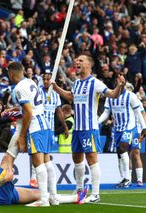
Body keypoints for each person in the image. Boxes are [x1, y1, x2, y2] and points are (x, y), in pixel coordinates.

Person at [52, 54, 125, 203]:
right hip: (77, 129)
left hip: (89, 128)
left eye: (80, 60)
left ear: (89, 65)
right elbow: (71, 97)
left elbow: (112, 94)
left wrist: (120, 86)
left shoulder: (95, 83)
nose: (76, 62)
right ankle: (80, 189)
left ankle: (96, 193)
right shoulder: (77, 83)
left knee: (91, 158)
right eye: (76, 60)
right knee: (77, 158)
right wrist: (56, 88)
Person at [6, 62, 81, 207]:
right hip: (46, 125)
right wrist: (13, 111)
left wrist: (21, 136)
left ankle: (44, 199)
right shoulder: (30, 82)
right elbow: (29, 107)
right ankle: (53, 197)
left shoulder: (19, 88)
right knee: (47, 163)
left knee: (38, 163)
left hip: (35, 127)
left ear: (11, 73)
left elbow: (28, 112)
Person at [98, 79, 146, 188]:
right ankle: (124, 178)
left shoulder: (131, 96)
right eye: (117, 83)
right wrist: (97, 122)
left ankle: (132, 179)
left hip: (130, 127)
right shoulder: (110, 97)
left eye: (122, 83)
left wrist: (143, 128)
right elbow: (106, 112)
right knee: (120, 154)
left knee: (125, 150)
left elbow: (139, 113)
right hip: (117, 129)